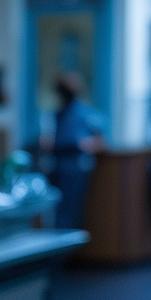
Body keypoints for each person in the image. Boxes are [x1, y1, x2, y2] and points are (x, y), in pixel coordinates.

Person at [43, 72, 106, 229]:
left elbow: (101, 141)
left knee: (71, 211)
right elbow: (46, 142)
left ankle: (69, 250)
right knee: (57, 210)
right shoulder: (54, 116)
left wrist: (83, 145)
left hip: (77, 168)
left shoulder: (86, 115)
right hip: (56, 167)